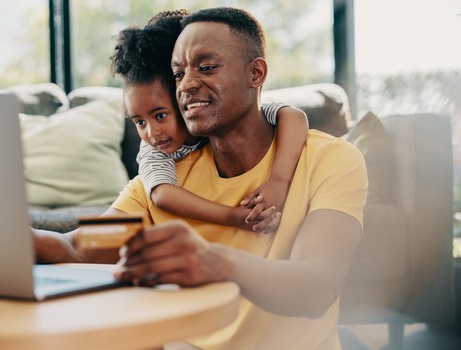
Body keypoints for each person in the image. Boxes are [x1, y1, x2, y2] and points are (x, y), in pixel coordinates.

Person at [34, 6, 367, 349]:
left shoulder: (328, 159)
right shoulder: (161, 182)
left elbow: (317, 286)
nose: (189, 84)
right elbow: (79, 248)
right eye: (178, 74)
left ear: (256, 73)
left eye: (207, 67)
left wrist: (217, 262)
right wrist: (5, 237)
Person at [109, 10, 309, 234]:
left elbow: (292, 115)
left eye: (160, 116)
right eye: (139, 122)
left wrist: (279, 181)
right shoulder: (154, 157)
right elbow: (161, 195)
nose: (153, 133)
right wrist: (234, 216)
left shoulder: (316, 158)